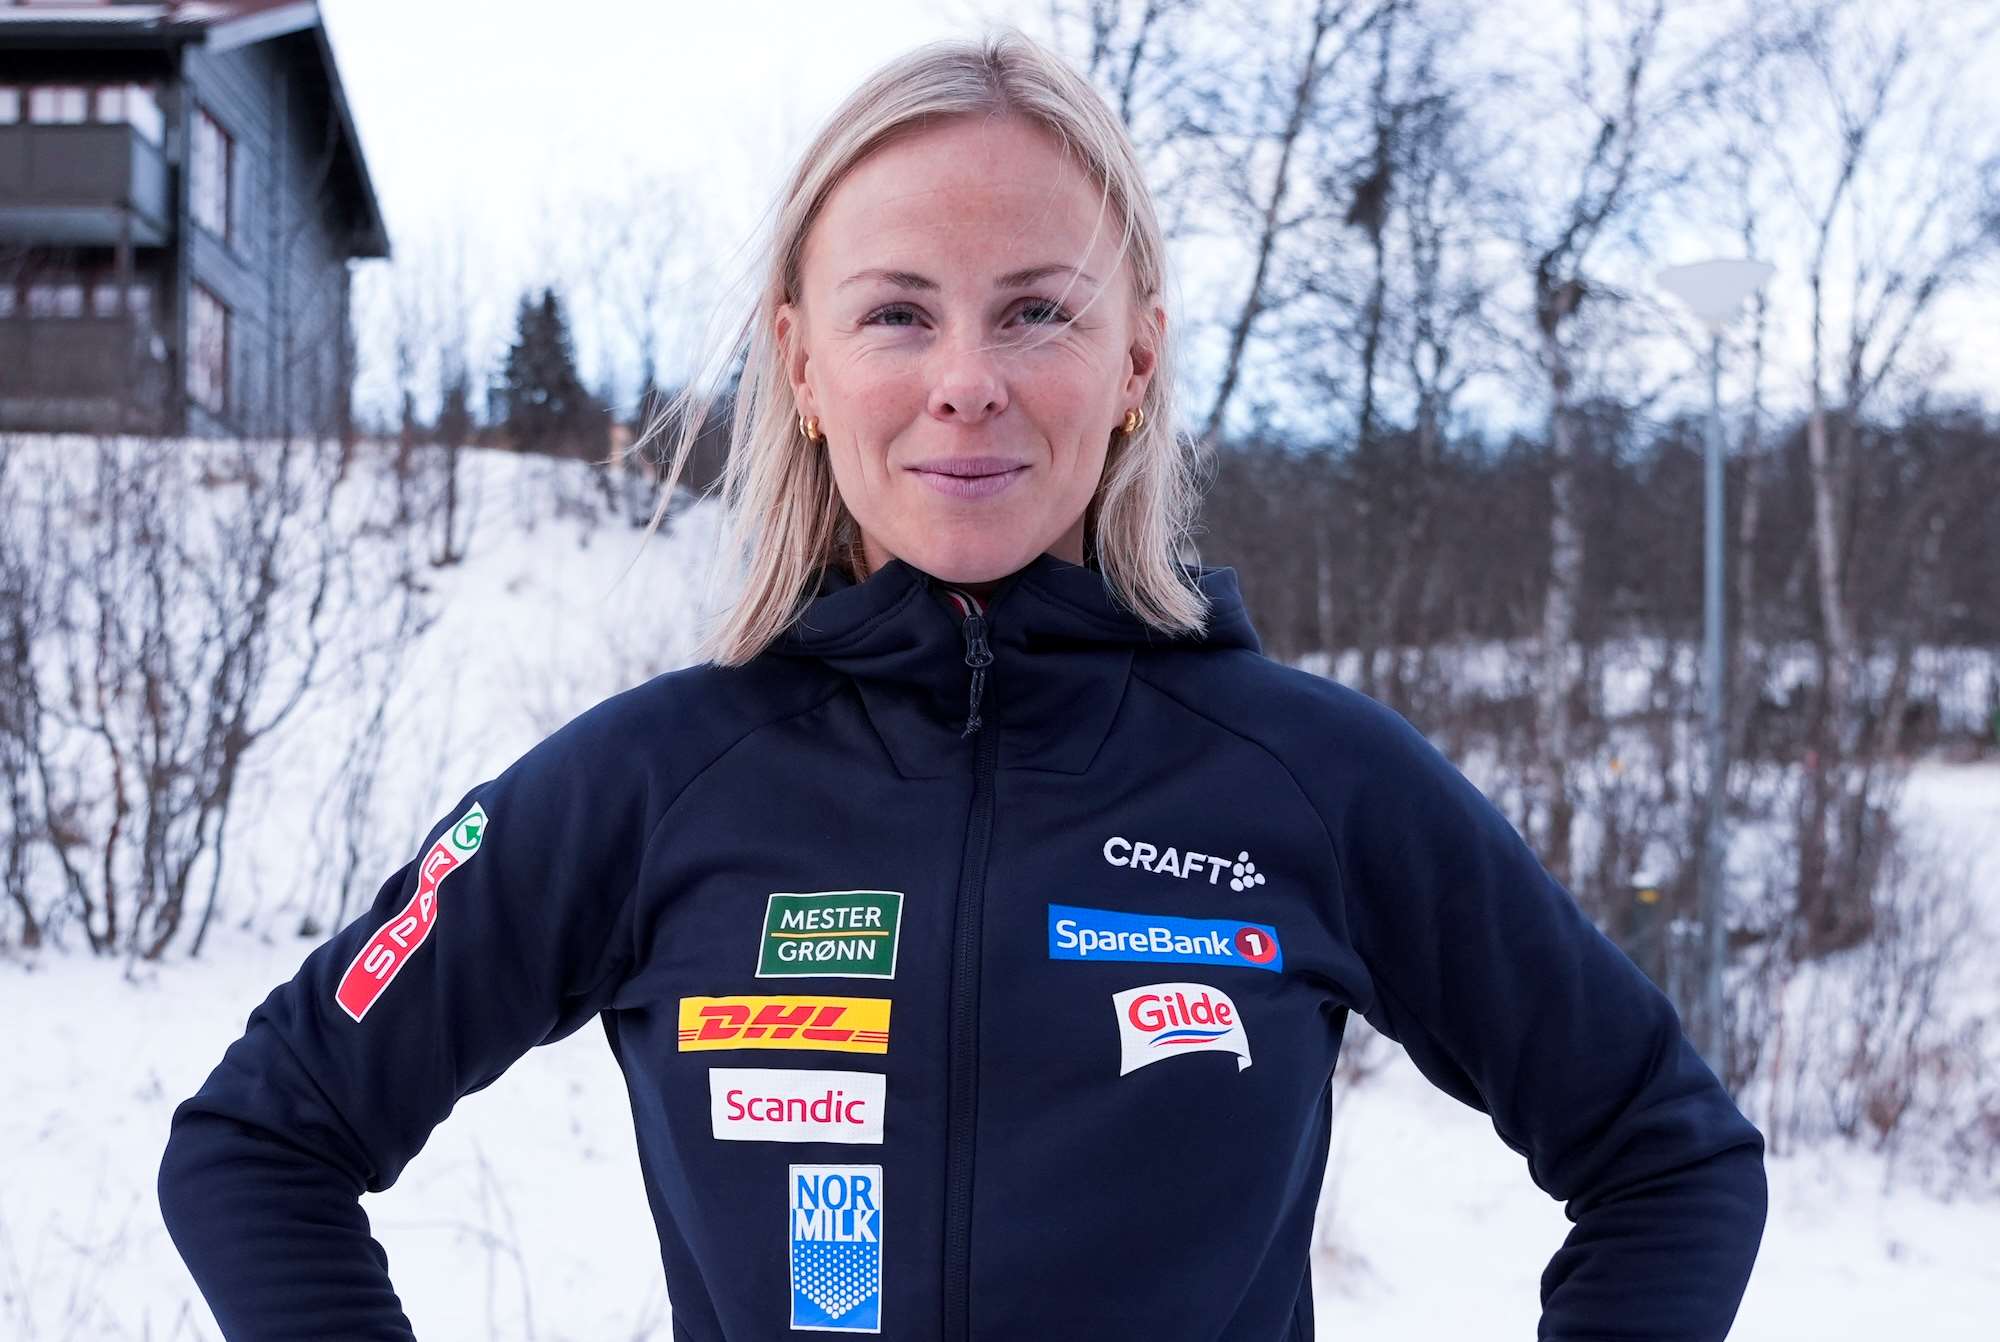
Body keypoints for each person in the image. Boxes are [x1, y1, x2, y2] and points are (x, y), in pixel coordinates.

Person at [157, 27, 1768, 1342]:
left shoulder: (1311, 780)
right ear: (803, 364)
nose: (967, 382)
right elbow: (261, 1141)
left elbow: (1666, 1158)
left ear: (1134, 361)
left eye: (1037, 311)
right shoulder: (653, 785)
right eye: (898, 313)